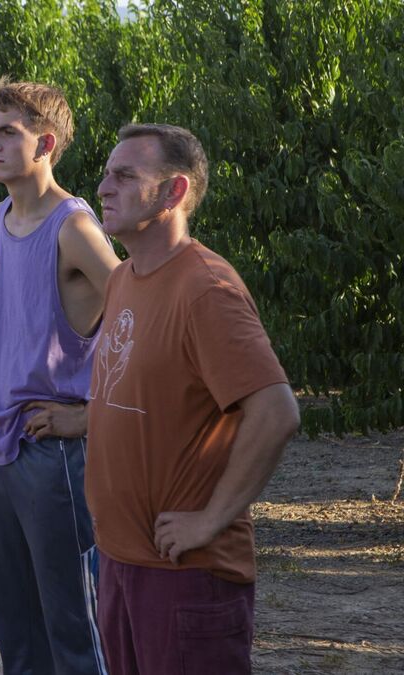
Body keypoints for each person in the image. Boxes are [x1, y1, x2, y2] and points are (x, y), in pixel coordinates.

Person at [88, 123, 299, 674]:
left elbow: (275, 410)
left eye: (125, 175)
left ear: (174, 191)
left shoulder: (206, 288)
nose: (104, 187)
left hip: (186, 577)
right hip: (120, 563)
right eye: (107, 173)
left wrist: (210, 519)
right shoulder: (123, 279)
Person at [0, 78, 118, 674]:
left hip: (53, 451)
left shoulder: (74, 228)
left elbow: (141, 316)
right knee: (16, 629)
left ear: (45, 142)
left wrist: (91, 414)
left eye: (9, 133)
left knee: (74, 628)